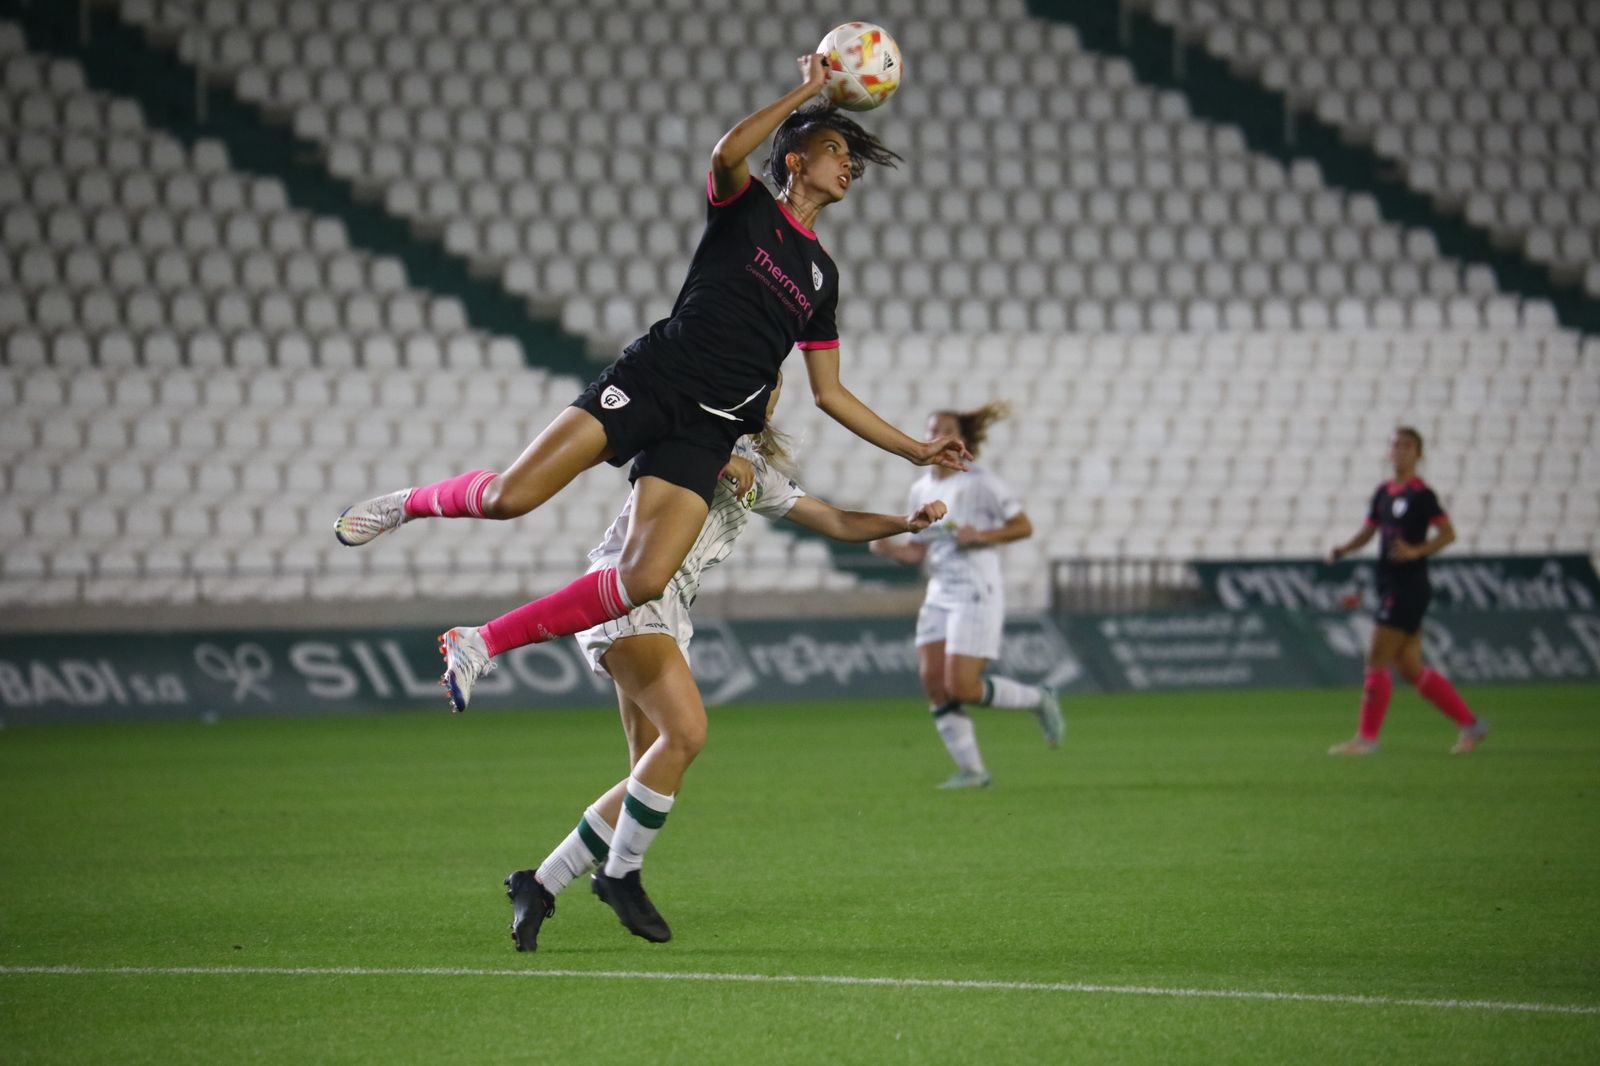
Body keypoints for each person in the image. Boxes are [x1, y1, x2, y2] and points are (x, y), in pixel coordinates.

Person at [332, 54, 969, 697]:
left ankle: (481, 641)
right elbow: (726, 152)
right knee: (510, 499)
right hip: (656, 379)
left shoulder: (822, 276)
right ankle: (405, 504)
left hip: (712, 428)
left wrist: (914, 450)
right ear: (795, 161)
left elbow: (830, 393)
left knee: (643, 580)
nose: (848, 164)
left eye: (851, 158)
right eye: (834, 150)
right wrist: (807, 91)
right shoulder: (746, 206)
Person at [478, 379, 947, 948]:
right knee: (687, 734)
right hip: (628, 592)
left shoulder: (759, 470)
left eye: (773, 386)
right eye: (761, 381)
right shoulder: (688, 426)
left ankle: (540, 883)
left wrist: (904, 523)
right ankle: (620, 875)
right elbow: (655, 451)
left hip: (669, 608)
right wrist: (722, 458)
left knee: (650, 776)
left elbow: (839, 522)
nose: (768, 394)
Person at [870, 402, 1065, 789]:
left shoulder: (980, 482)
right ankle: (974, 771)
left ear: (960, 440)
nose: (935, 436)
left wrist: (982, 536)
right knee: (935, 685)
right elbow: (918, 552)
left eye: (945, 430)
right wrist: (888, 547)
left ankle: (1039, 698)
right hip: (939, 591)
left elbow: (1024, 526)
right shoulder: (921, 489)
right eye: (931, 429)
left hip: (976, 591)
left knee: (963, 688)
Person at [1327, 427, 1488, 755]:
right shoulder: (1383, 492)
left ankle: (1366, 740)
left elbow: (1448, 534)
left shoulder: (1421, 495)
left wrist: (1417, 551)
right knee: (1410, 668)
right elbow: (1369, 531)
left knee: (1377, 658)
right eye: (1396, 445)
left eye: (1407, 446)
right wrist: (1344, 549)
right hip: (1389, 582)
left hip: (1409, 585)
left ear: (1419, 454)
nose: (1400, 450)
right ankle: (1471, 725)